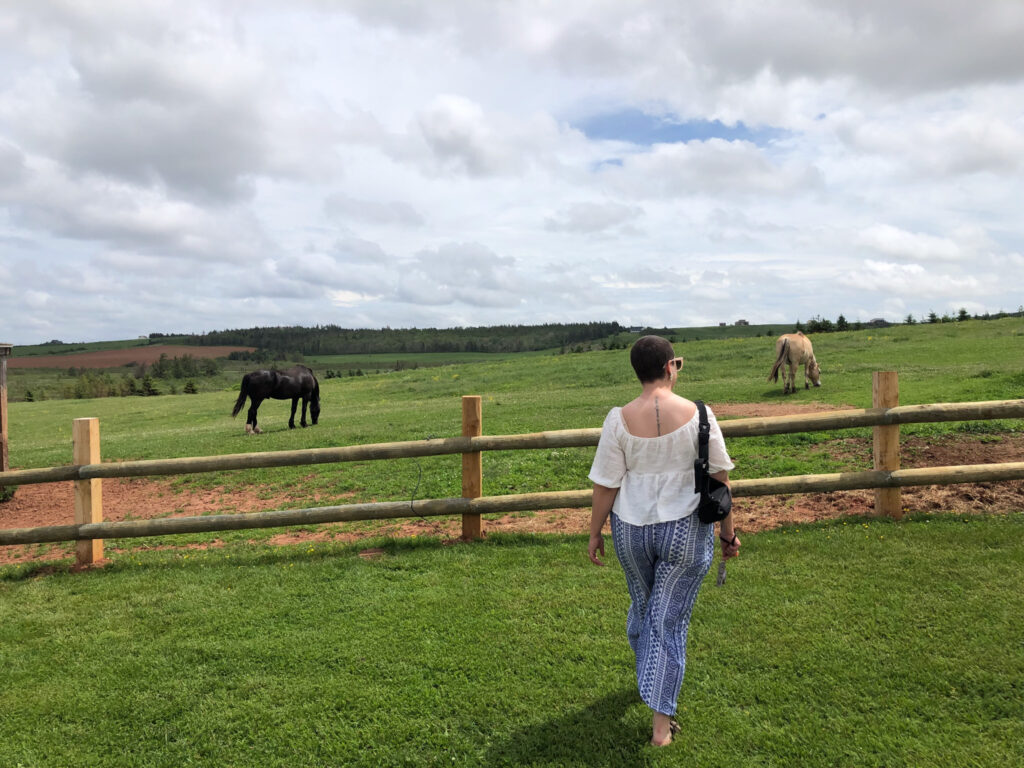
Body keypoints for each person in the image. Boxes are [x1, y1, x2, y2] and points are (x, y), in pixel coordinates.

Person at [587, 335, 740, 747]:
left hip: (631, 529)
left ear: (636, 371)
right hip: (685, 529)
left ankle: (649, 678)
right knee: (667, 620)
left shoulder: (617, 419)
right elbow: (720, 480)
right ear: (671, 366)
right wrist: (728, 534)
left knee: (646, 608)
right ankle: (660, 727)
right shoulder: (701, 415)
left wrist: (594, 531)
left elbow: (606, 483)